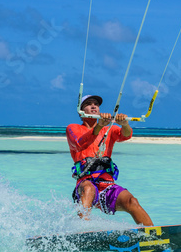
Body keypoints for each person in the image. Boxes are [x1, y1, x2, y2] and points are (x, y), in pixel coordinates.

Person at [65, 94, 153, 226]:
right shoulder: (73, 128)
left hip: (107, 184)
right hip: (86, 183)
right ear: (81, 111)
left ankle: (152, 234)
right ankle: (82, 229)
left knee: (132, 201)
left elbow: (126, 135)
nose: (94, 106)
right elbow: (79, 143)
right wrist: (98, 127)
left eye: (96, 104)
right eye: (89, 104)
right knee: (88, 189)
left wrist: (124, 124)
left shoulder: (109, 129)